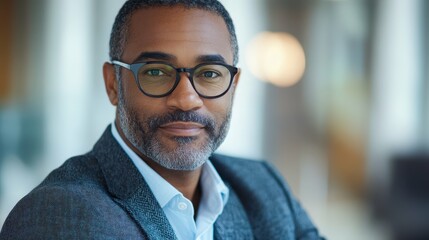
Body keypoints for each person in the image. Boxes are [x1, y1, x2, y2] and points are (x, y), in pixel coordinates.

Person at [0, 0, 324, 239]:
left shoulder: (263, 186)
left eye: (210, 73)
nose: (186, 98)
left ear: (233, 86)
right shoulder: (57, 216)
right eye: (156, 72)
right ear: (113, 84)